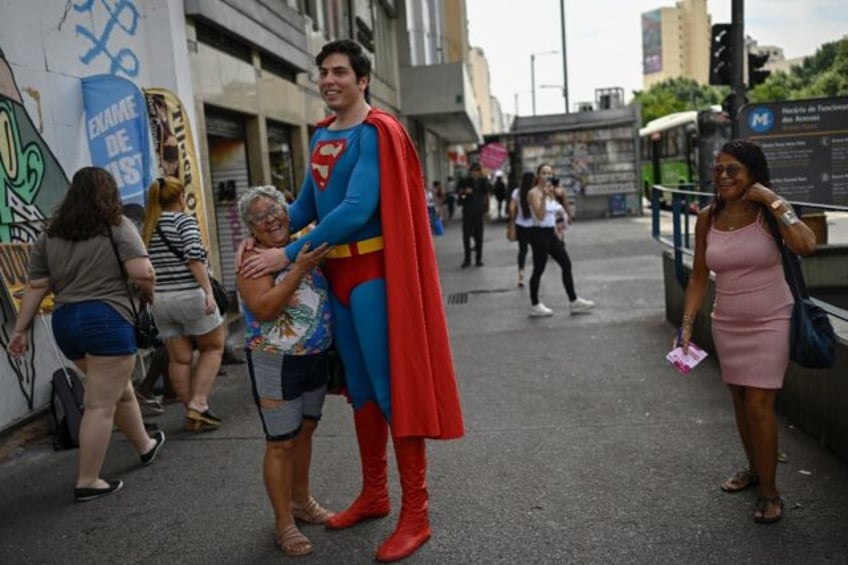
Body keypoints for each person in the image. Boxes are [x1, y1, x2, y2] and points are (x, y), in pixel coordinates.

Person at [238, 39, 464, 563]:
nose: (329, 80)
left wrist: (286, 254)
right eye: (323, 72)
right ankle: (375, 494)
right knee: (360, 390)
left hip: (372, 273)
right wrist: (264, 231)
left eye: (339, 71)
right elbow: (305, 206)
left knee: (390, 390)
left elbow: (359, 205)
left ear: (362, 79)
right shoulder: (323, 136)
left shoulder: (376, 133)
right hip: (336, 273)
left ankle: (417, 512)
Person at [678, 140, 816, 524]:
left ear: (753, 173)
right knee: (740, 401)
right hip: (728, 322)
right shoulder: (707, 217)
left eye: (732, 169)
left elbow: (806, 245)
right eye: (718, 169)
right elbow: (700, 275)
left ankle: (770, 493)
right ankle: (756, 470)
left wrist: (772, 199)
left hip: (772, 319)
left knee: (758, 403)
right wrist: (687, 327)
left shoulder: (770, 213)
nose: (722, 176)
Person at [7, 167, 165, 502]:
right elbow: (143, 271)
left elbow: (36, 286)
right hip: (107, 320)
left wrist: (20, 330)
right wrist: (147, 293)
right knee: (98, 405)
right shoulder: (117, 226)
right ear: (109, 193)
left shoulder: (50, 235)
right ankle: (87, 480)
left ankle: (146, 445)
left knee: (117, 391)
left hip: (66, 323)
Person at [237, 186, 334, 557]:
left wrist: (300, 259)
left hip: (314, 357)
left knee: (305, 430)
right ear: (251, 227)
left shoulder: (298, 246)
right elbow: (264, 308)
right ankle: (284, 523)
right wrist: (300, 269)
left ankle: (302, 502)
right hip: (274, 362)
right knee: (280, 444)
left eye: (275, 210)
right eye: (260, 216)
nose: (271, 219)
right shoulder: (254, 261)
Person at [141, 177, 226, 431]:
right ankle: (198, 405)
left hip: (160, 301)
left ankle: (192, 410)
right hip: (189, 295)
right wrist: (208, 291)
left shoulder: (147, 228)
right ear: (180, 198)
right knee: (213, 347)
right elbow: (194, 257)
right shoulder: (183, 221)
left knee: (179, 359)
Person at [524, 163, 595, 317]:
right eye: (544, 173)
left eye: (550, 173)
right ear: (538, 176)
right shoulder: (533, 193)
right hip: (539, 234)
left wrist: (562, 220)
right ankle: (535, 304)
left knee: (566, 263)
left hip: (550, 233)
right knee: (539, 269)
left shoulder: (550, 192)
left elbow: (552, 214)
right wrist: (543, 196)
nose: (547, 176)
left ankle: (573, 301)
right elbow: (540, 215)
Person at [457, 163, 491, 267]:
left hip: (479, 213)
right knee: (466, 236)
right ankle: (467, 260)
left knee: (479, 236)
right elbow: (459, 195)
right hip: (467, 213)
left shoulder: (483, 182)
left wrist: (486, 210)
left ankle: (478, 259)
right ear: (470, 172)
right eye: (473, 171)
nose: (475, 173)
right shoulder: (464, 181)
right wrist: (464, 192)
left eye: (477, 171)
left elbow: (487, 194)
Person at [507, 171, 536, 287]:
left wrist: (512, 219)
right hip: (534, 226)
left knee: (522, 251)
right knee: (536, 250)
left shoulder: (517, 192)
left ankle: (521, 277)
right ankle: (536, 274)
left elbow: (511, 208)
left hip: (521, 226)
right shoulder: (534, 192)